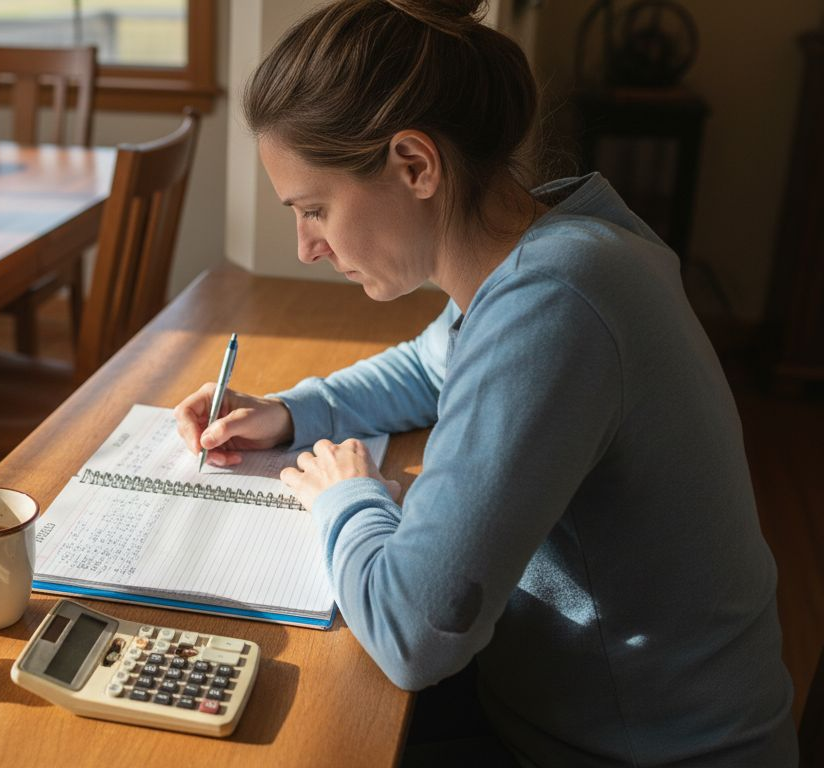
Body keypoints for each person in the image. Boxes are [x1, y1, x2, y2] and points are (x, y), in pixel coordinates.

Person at [172, 1, 796, 765]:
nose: (307, 247)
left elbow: (413, 631)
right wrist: (288, 412)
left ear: (415, 165)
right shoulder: (555, 237)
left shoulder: (555, 303)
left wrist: (345, 497)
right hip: (558, 704)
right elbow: (430, 362)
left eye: (315, 209)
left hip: (632, 750)